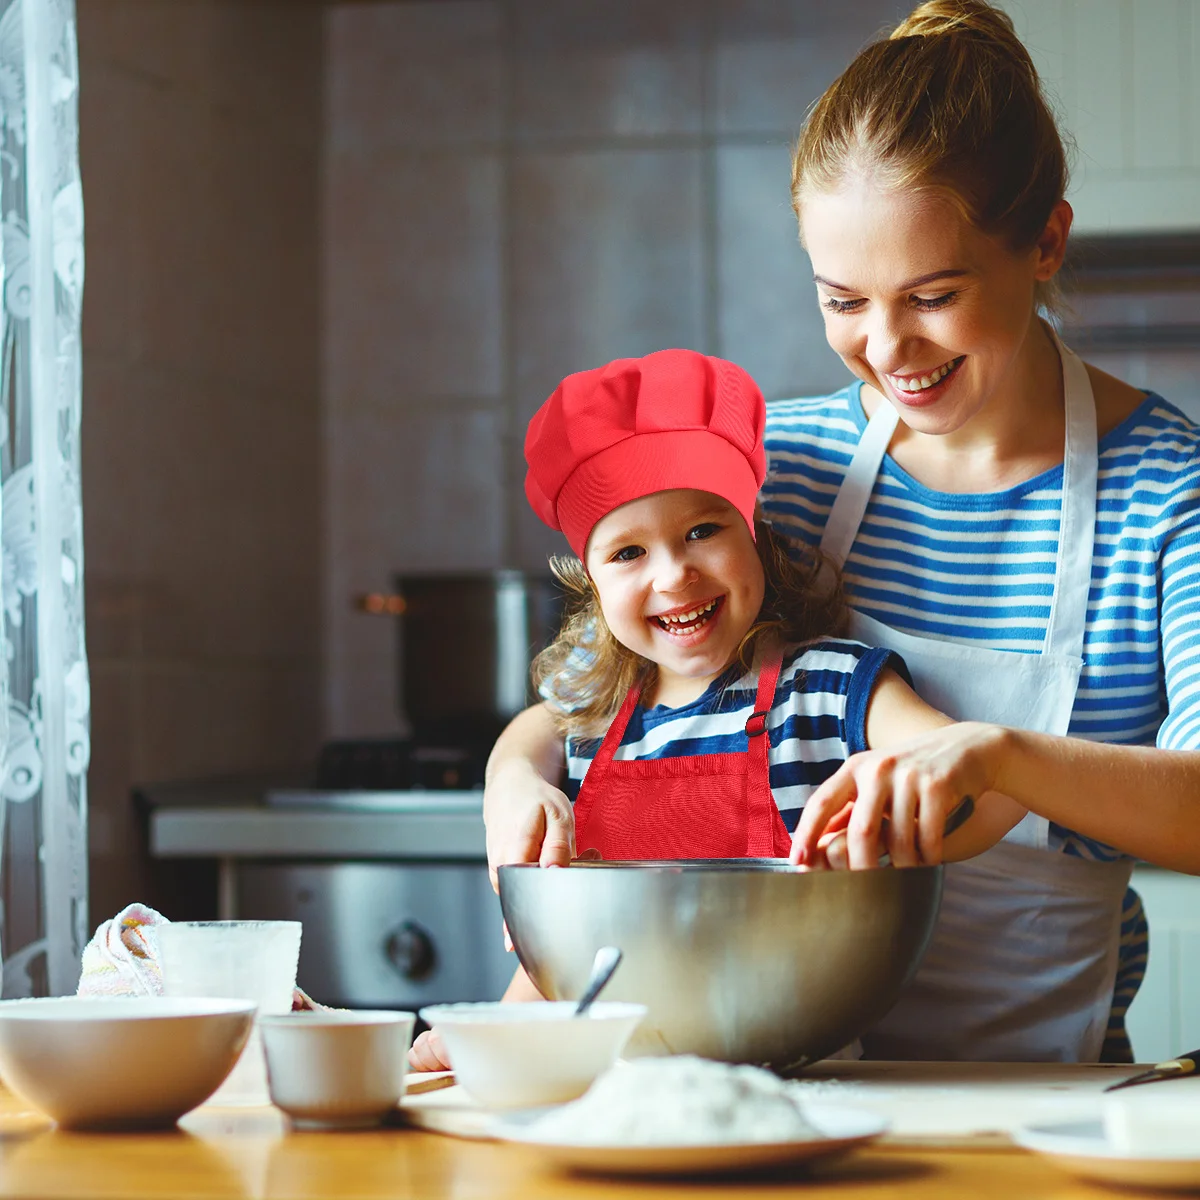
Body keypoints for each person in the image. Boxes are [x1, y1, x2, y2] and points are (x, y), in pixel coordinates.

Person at [481, 0, 1200, 1067]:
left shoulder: (1168, 491)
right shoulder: (778, 473)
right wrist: (512, 781)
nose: (888, 347)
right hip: (778, 1084)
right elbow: (597, 702)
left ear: (1046, 240)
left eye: (933, 295)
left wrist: (1001, 758)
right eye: (844, 301)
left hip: (1047, 1093)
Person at [407, 346, 1023, 1072]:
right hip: (615, 1083)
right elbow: (572, 947)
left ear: (754, 533)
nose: (675, 575)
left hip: (800, 1070)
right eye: (628, 553)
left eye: (703, 531)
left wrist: (895, 824)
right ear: (592, 586)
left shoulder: (826, 690)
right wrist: (502, 1032)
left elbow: (991, 782)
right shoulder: (597, 722)